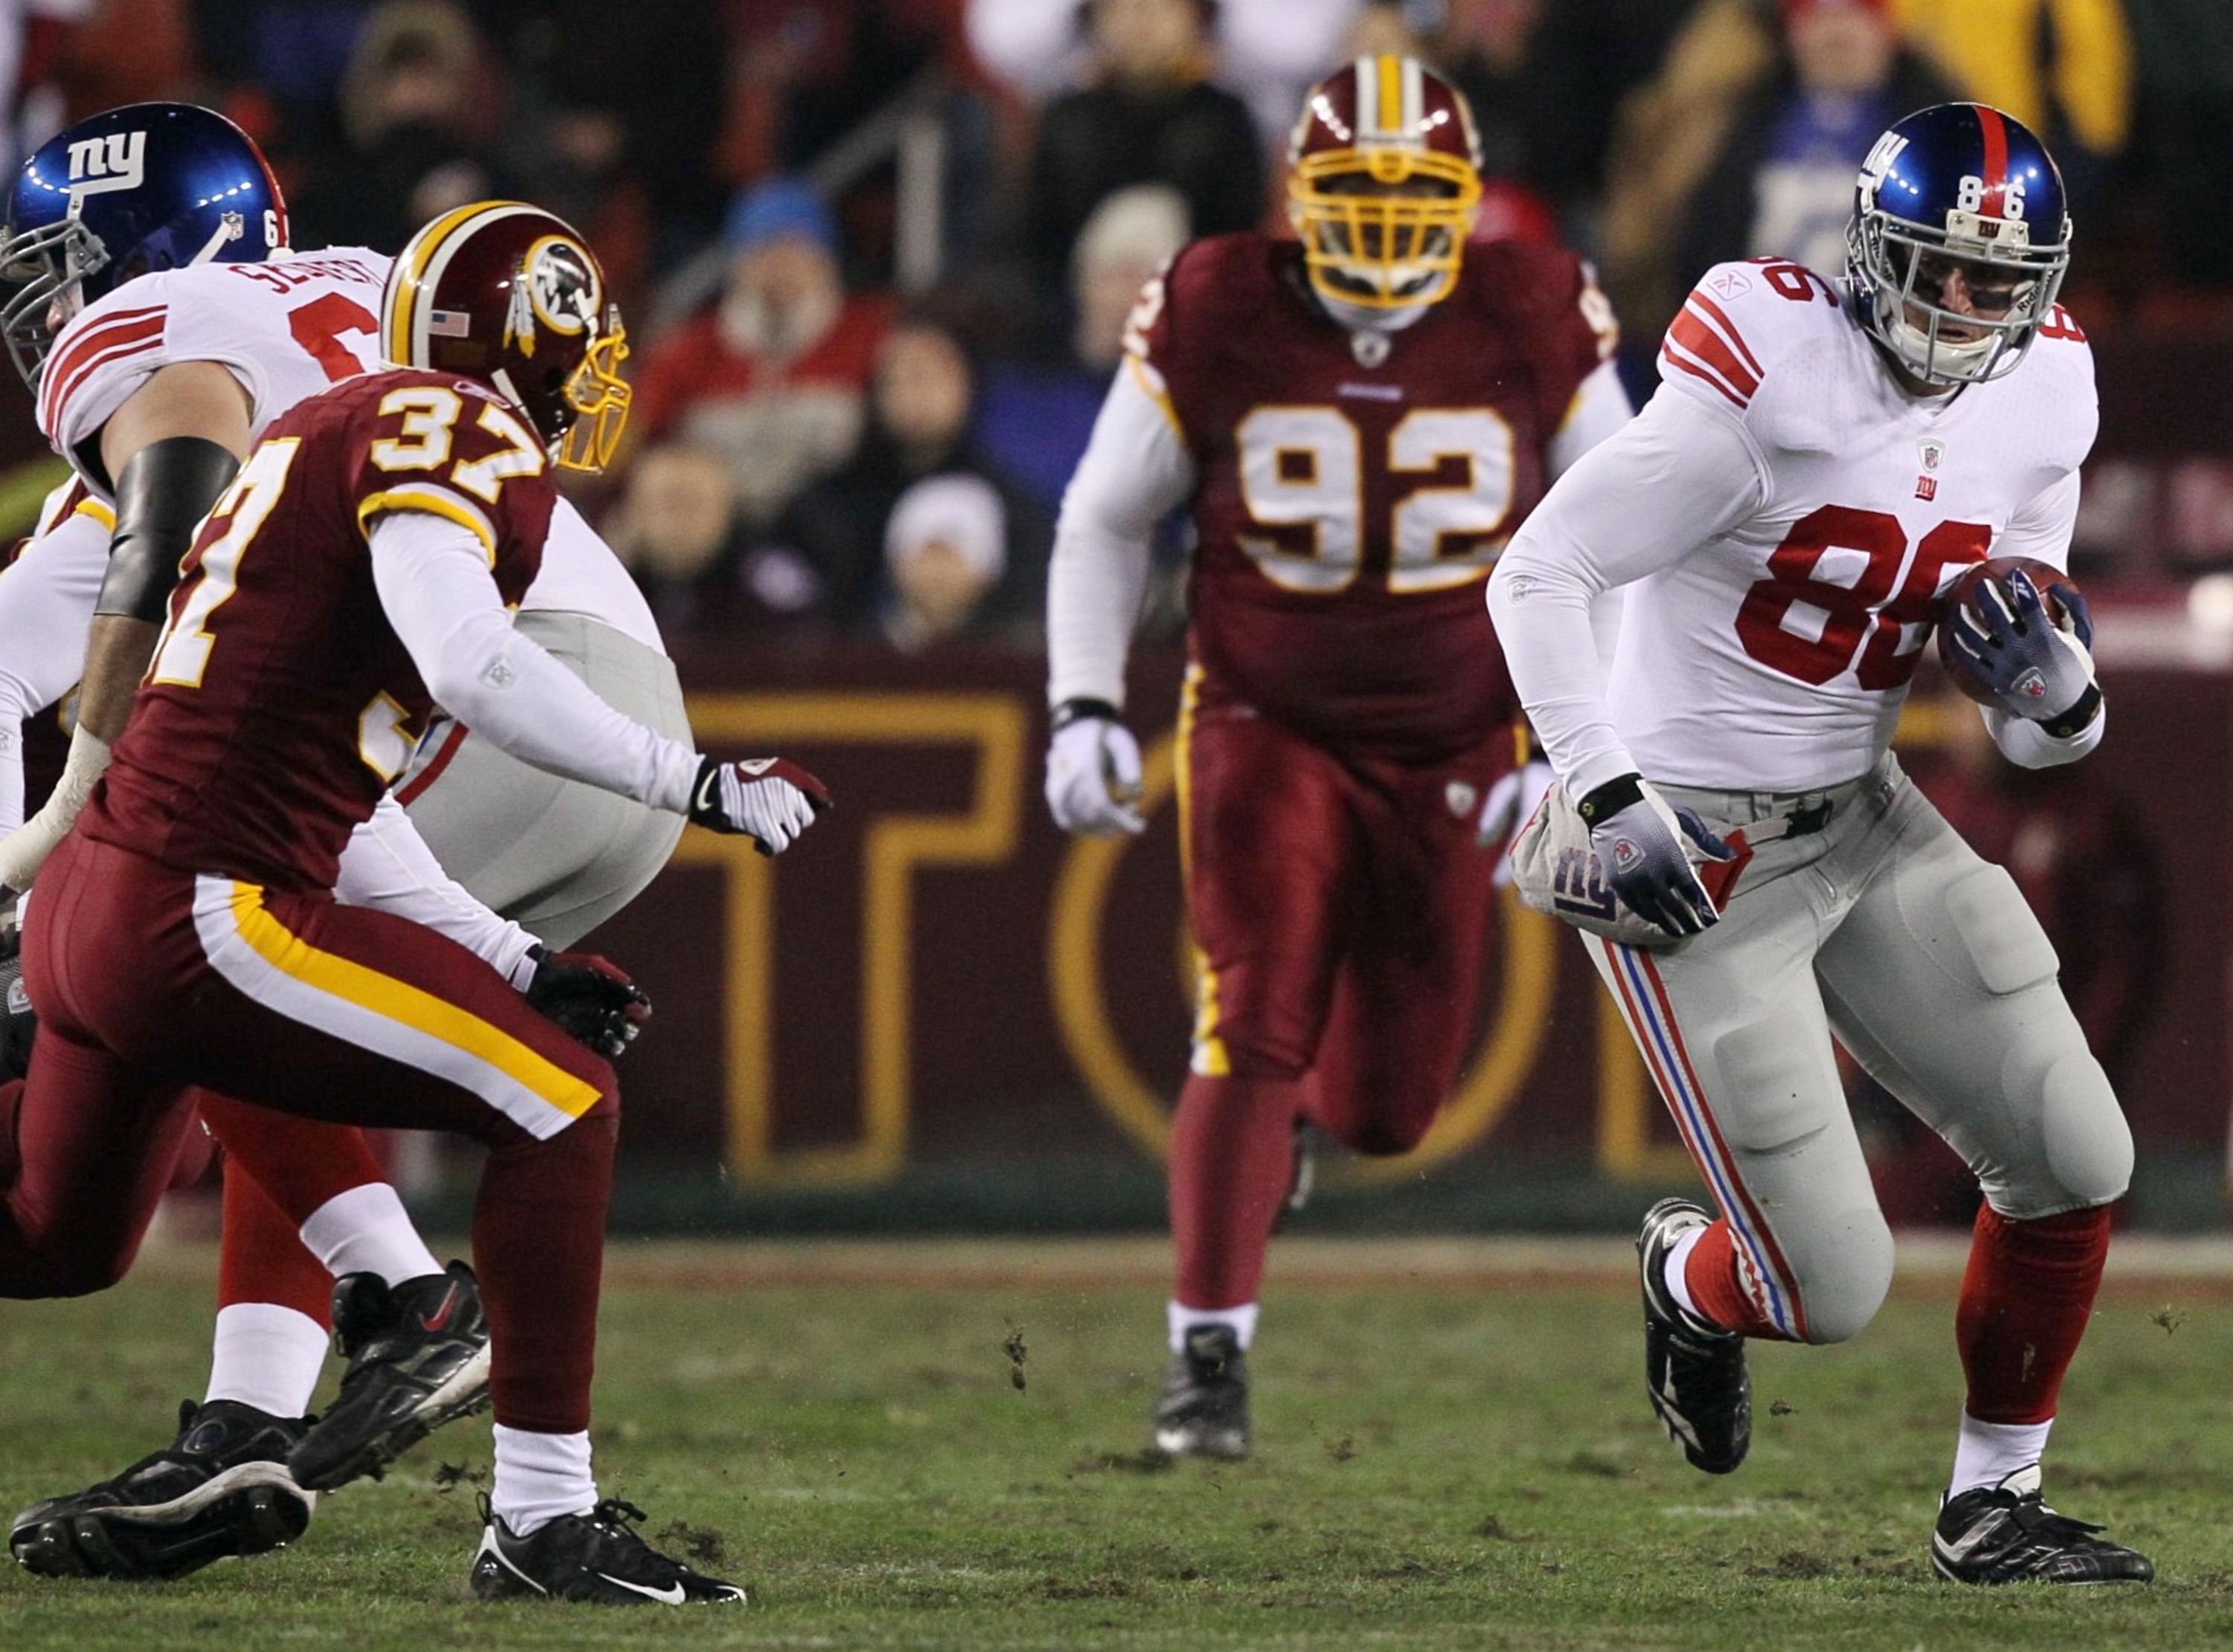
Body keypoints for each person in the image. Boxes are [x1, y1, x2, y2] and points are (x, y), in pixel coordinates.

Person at [0, 188, 834, 1602]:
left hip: (116, 893)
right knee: (547, 1096)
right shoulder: (416, 421)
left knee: (54, 1235)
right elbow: (460, 672)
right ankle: (435, 1365)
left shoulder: (289, 437)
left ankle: (284, 1391)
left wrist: (496, 949)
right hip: (194, 893)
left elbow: (329, 781)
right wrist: (685, 781)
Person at [1486, 102, 2151, 1584]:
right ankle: (1689, 1278)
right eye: (1938, 268)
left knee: (2075, 1152)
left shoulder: (2047, 392)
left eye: (2000, 280)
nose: (1965, 306)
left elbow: (2040, 722)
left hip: (1862, 815)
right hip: (1690, 841)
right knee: (1827, 1286)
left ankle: (1993, 1506)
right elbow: (1542, 570)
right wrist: (1602, 788)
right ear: (1869, 251)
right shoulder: (1771, 356)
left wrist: (2066, 696)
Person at [1044, 55, 1629, 1459]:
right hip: (1265, 715)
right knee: (1250, 1012)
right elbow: (1108, 516)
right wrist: (1079, 701)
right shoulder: (1218, 300)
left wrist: (1576, 742)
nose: (1378, 227)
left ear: (1469, 202)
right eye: (1352, 197)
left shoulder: (1537, 305)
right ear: (1295, 198)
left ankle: (1288, 1135)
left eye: (1410, 197)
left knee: (1385, 1110)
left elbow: (1630, 535)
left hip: (1456, 734)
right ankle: (1207, 1363)